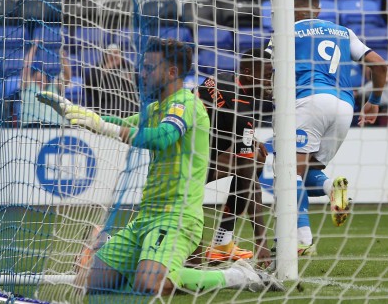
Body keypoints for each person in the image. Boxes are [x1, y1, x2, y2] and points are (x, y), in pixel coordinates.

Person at [40, 38, 281, 294]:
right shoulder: (158, 107)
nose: (141, 73)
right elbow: (126, 123)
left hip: (178, 215)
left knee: (152, 283)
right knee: (88, 283)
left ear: (171, 71)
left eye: (149, 67)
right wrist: (81, 114)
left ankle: (235, 274)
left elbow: (163, 137)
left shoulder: (186, 103)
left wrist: (102, 126)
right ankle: (131, 252)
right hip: (148, 216)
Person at [271, 0, 387, 253]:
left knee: (289, 173)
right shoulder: (344, 32)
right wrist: (375, 102)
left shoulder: (286, 32)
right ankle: (332, 189)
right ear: (318, 9)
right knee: (310, 171)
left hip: (308, 101)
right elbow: (380, 65)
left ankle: (301, 240)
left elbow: (265, 68)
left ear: (288, 9)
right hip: (345, 106)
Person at [195, 49, 272, 264]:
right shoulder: (242, 109)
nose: (271, 82)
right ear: (248, 73)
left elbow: (218, 114)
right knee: (249, 164)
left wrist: (249, 138)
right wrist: (261, 240)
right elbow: (248, 177)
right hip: (184, 167)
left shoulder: (222, 77)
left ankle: (222, 241)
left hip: (185, 154)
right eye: (266, 76)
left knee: (253, 157)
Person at [19, 43, 71, 127]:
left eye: (42, 78)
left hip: (56, 126)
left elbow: (67, 77)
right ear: (32, 78)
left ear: (47, 79)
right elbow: (26, 68)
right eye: (37, 78)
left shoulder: (53, 87)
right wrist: (34, 46)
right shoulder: (28, 86)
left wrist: (63, 58)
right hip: (32, 126)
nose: (40, 80)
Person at [83, 43, 139, 120]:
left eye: (116, 53)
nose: (113, 56)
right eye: (110, 53)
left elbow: (140, 84)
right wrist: (108, 67)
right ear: (105, 56)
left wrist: (131, 78)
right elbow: (89, 85)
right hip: (106, 104)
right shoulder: (98, 67)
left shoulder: (128, 67)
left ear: (121, 55)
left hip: (128, 104)